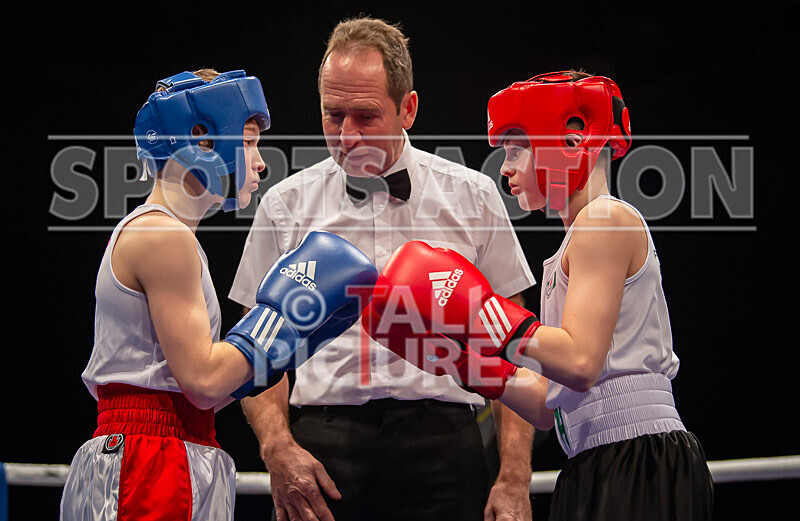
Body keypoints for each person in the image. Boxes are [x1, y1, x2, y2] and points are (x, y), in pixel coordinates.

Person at [365, 70, 714, 520]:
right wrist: (456, 359)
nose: (504, 167)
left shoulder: (606, 220)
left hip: (639, 456)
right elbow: (549, 404)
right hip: (594, 456)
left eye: (517, 149)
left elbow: (580, 362)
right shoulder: (570, 249)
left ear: (570, 141)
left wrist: (478, 311)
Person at [229, 16, 538, 521]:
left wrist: (515, 476)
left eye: (366, 116)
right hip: (322, 440)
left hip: (445, 437)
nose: (347, 135)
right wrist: (276, 447)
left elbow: (515, 345)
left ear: (408, 108)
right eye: (334, 115)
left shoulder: (473, 195)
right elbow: (252, 347)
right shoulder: (285, 204)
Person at [60, 69, 378, 521]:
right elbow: (203, 380)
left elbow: (204, 394)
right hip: (150, 458)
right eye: (248, 142)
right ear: (203, 141)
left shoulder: (170, 235)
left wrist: (294, 342)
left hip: (173, 444)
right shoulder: (162, 236)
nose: (261, 163)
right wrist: (282, 319)